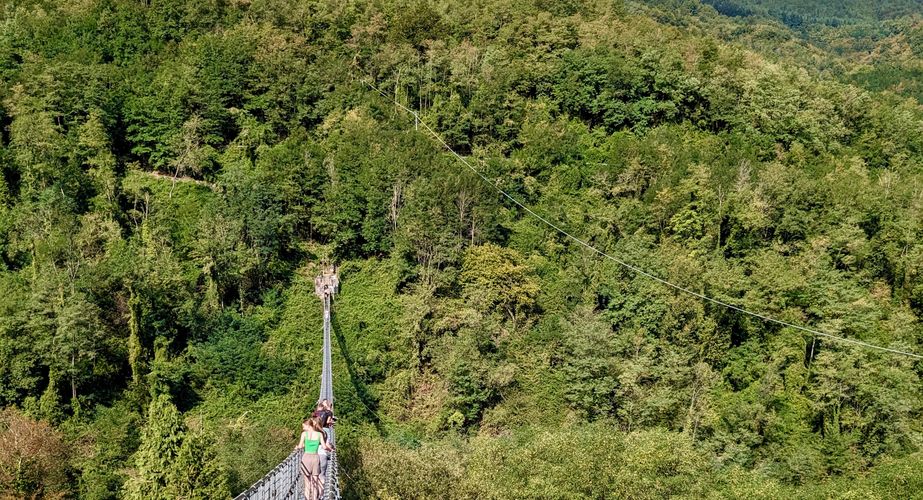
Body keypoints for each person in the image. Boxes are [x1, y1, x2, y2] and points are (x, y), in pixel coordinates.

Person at [294, 418, 331, 500]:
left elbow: (300, 446)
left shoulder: (304, 434)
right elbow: (324, 446)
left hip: (306, 457)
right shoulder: (319, 434)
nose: (303, 428)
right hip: (315, 458)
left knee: (307, 483)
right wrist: (330, 449)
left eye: (304, 426)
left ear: (308, 426)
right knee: (315, 482)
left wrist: (297, 447)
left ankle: (307, 498)